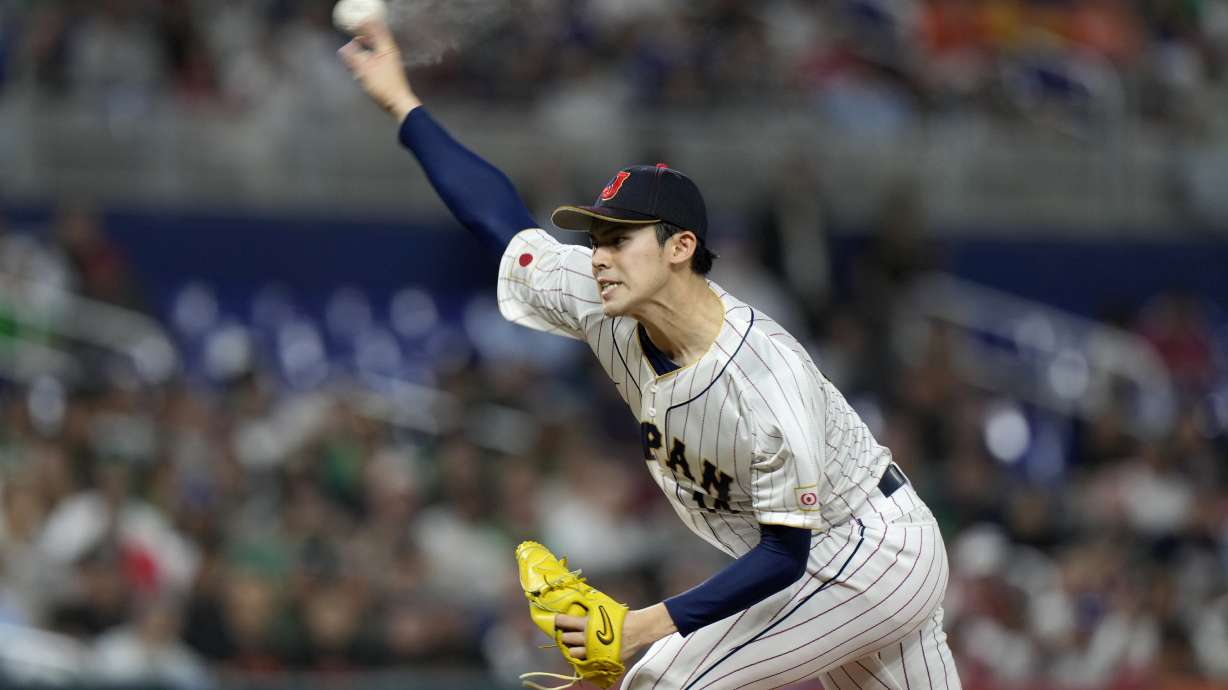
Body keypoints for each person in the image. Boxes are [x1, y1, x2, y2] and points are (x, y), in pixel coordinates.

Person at [339, 21, 962, 690]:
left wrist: (638, 626)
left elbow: (787, 554)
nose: (599, 257)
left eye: (619, 239)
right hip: (834, 556)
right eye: (596, 239)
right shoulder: (597, 294)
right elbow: (498, 217)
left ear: (680, 248)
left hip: (864, 548)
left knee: (657, 682)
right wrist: (403, 102)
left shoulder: (763, 375)